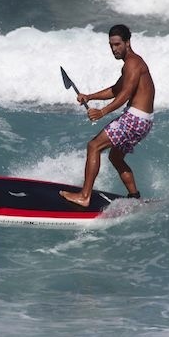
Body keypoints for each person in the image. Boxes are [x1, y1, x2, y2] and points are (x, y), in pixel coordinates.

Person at [60, 24, 155, 207]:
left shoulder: (133, 64)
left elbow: (125, 94)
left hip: (135, 118)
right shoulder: (131, 64)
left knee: (93, 146)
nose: (114, 49)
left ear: (128, 42)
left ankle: (84, 196)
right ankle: (134, 197)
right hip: (143, 120)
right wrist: (89, 96)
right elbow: (115, 89)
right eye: (111, 45)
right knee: (115, 157)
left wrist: (102, 112)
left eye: (118, 44)